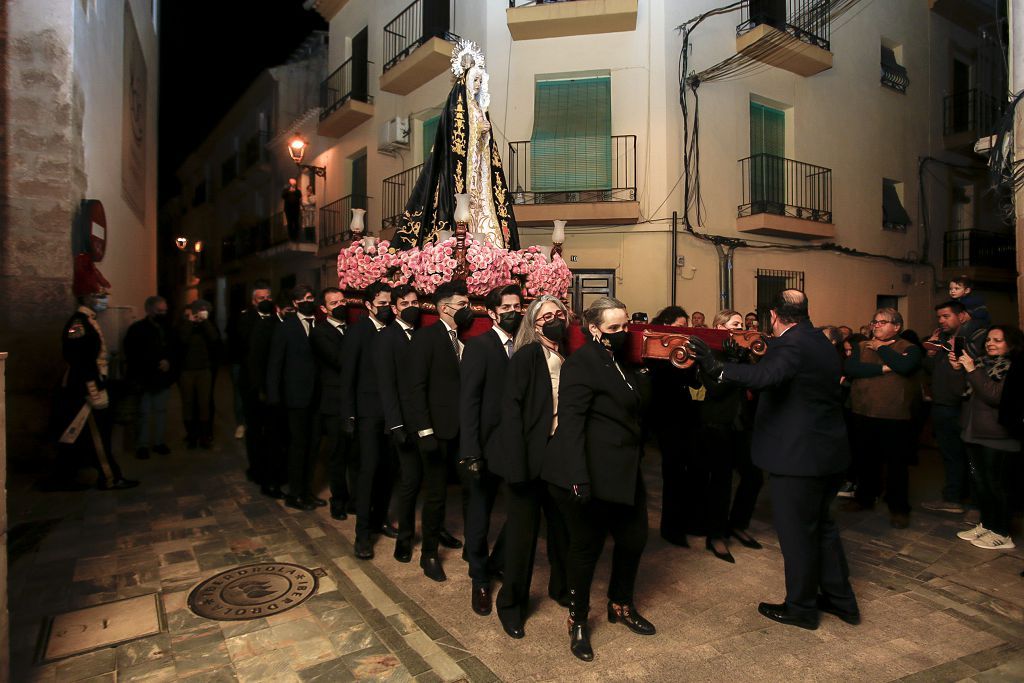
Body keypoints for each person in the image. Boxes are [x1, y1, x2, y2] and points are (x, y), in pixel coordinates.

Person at [689, 290, 858, 631]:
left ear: (774, 317)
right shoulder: (819, 339)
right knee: (823, 529)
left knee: (797, 535)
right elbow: (782, 374)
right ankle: (841, 602)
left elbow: (767, 377)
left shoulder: (792, 344)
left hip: (799, 458)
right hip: (827, 454)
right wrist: (744, 360)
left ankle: (801, 608)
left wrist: (716, 366)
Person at [543, 296, 655, 663]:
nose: (623, 333)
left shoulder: (620, 360)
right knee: (585, 550)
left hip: (624, 469)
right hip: (590, 470)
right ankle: (577, 621)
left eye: (626, 326)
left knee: (634, 538)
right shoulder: (583, 364)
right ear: (594, 330)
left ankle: (620, 605)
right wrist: (578, 477)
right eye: (614, 328)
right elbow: (572, 423)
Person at [491, 295, 570, 639]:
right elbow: (510, 412)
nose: (553, 319)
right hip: (526, 459)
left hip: (556, 458)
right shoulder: (526, 356)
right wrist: (518, 467)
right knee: (523, 538)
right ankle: (511, 605)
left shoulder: (567, 355)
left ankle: (560, 587)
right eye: (546, 316)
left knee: (561, 529)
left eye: (558, 314)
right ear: (534, 324)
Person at [403, 281, 474, 581]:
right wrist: (424, 431)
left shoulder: (462, 339)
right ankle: (428, 554)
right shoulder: (425, 338)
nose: (468, 310)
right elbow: (415, 389)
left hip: (461, 431)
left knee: (471, 489)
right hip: (435, 430)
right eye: (463, 305)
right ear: (445, 308)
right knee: (435, 495)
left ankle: (472, 547)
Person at [459, 284, 521, 616]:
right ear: (493, 313)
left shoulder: (525, 345)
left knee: (523, 510)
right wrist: (470, 451)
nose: (513, 312)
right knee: (479, 515)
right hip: (484, 446)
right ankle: (480, 577)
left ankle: (498, 560)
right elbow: (468, 402)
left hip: (515, 446)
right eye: (506, 308)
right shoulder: (478, 347)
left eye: (517, 306)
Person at [51, 283, 139, 491]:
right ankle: (109, 478)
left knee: (84, 436)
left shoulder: (89, 321)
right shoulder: (79, 324)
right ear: (87, 297)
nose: (103, 299)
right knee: (98, 435)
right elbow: (80, 359)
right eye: (99, 295)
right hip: (85, 387)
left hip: (92, 383)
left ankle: (70, 476)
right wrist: (93, 390)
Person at [693, 310, 763, 562]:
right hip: (717, 424)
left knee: (753, 476)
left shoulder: (743, 354)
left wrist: (744, 360)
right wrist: (734, 363)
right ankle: (716, 535)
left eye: (742, 324)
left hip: (742, 424)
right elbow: (715, 389)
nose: (740, 327)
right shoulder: (708, 352)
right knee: (720, 482)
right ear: (720, 327)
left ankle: (738, 523)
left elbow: (756, 383)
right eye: (735, 324)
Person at [842, 309, 922, 528]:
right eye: (874, 322)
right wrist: (885, 368)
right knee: (865, 460)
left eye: (882, 322)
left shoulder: (910, 348)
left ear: (896, 326)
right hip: (863, 411)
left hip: (894, 415)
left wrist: (882, 349)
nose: (876, 326)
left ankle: (899, 508)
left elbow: (905, 367)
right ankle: (865, 498)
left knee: (896, 465)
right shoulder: (860, 346)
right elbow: (851, 368)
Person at [951, 325, 1023, 550]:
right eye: (989, 339)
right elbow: (959, 392)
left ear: (1010, 344)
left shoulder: (1014, 368)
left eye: (998, 340)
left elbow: (994, 396)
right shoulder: (982, 364)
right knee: (980, 483)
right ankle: (988, 524)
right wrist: (958, 369)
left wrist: (972, 370)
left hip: (997, 436)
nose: (990, 343)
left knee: (996, 485)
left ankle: (1002, 533)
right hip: (974, 432)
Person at [344, 282, 399, 559]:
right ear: (368, 305)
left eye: (390, 303)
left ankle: (380, 520)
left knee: (389, 470)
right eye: (381, 304)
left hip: (391, 414)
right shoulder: (358, 331)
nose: (387, 308)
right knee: (368, 472)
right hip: (367, 413)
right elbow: (348, 375)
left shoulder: (393, 330)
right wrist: (350, 414)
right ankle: (362, 534)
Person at [266, 285, 323, 511]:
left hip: (318, 396)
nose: (311, 301)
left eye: (312, 297)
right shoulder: (286, 327)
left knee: (314, 445)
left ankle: (308, 491)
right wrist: (274, 395)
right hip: (296, 397)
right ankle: (295, 494)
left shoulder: (320, 323)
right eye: (306, 299)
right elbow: (275, 364)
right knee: (298, 446)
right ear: (296, 303)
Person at [648, 305, 695, 545]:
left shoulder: (682, 349)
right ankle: (671, 528)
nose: (683, 331)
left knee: (685, 472)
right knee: (673, 472)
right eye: (679, 327)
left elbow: (694, 382)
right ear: (666, 326)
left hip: (684, 415)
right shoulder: (655, 351)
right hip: (666, 418)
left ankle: (683, 523)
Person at [921, 301, 973, 514]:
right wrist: (931, 353)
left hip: (958, 406)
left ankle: (967, 500)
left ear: (962, 316)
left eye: (946, 316)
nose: (941, 321)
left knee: (964, 455)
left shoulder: (970, 339)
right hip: (941, 404)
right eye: (939, 317)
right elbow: (931, 370)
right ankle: (953, 497)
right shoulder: (943, 340)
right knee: (950, 454)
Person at [310, 287, 356, 520]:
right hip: (334, 402)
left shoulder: (352, 327)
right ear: (323, 309)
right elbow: (340, 360)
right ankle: (338, 500)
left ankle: (355, 500)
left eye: (342, 301)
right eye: (333, 303)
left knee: (355, 453)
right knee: (338, 455)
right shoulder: (320, 332)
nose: (340, 305)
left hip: (354, 400)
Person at [232, 281, 275, 481]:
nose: (265, 301)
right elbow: (243, 345)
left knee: (272, 429)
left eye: (268, 298)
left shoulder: (278, 318)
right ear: (253, 301)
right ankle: (256, 469)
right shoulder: (245, 319)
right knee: (255, 428)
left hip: (272, 382)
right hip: (251, 382)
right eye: (261, 298)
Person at [123, 295, 174, 460]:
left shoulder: (167, 328)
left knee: (160, 412)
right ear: (149, 310)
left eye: (165, 310)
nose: (163, 314)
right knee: (144, 414)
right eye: (159, 311)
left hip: (162, 378)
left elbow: (176, 348)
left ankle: (159, 442)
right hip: (144, 378)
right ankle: (142, 445)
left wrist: (168, 361)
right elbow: (133, 353)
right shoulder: (137, 329)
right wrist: (153, 363)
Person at [247, 294, 287, 498]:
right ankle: (267, 479)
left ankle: (278, 475)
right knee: (269, 437)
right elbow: (257, 360)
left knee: (280, 439)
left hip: (284, 392)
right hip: (268, 392)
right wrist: (263, 390)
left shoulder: (287, 324)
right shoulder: (266, 326)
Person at [175, 299, 220, 449]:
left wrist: (204, 322)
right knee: (188, 403)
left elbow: (214, 337)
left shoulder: (205, 326)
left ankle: (204, 436)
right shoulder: (182, 326)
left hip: (203, 370)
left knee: (204, 404)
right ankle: (191, 435)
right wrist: (189, 322)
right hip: (186, 370)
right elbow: (182, 339)